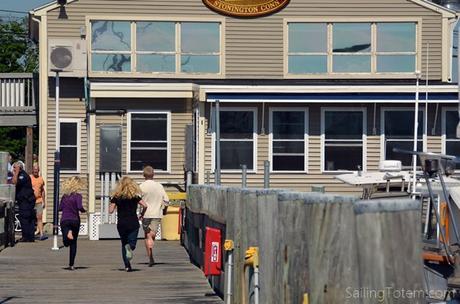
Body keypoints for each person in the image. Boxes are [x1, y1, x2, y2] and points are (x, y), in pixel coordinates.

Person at [109, 177, 147, 272]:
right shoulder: (135, 197)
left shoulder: (116, 197)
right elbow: (145, 205)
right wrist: (142, 214)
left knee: (124, 243)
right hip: (133, 222)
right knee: (132, 244)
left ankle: (127, 266)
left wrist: (112, 203)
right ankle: (130, 247)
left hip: (121, 223)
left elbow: (110, 211)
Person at [140, 166, 169, 267]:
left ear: (143, 175)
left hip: (145, 214)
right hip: (157, 213)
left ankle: (151, 258)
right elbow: (166, 200)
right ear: (153, 174)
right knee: (152, 235)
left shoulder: (141, 186)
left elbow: (137, 200)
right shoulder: (159, 186)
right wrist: (164, 209)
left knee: (147, 235)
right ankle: (151, 256)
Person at [59, 176, 86, 270]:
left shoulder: (64, 196)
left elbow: (60, 208)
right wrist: (83, 210)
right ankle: (71, 264)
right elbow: (79, 207)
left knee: (66, 243)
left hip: (65, 219)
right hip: (75, 220)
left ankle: (68, 233)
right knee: (73, 243)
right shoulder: (78, 196)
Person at [12, 161, 36, 242]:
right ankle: (29, 237)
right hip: (26, 200)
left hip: (26, 201)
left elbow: (14, 182)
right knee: (28, 218)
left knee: (25, 218)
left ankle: (26, 237)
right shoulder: (21, 175)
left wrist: (17, 172)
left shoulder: (22, 175)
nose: (13, 169)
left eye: (15, 167)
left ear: (19, 168)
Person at [30, 164, 47, 240]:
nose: (36, 171)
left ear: (38, 170)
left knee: (39, 217)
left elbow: (43, 191)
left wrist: (44, 201)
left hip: (39, 200)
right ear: (32, 170)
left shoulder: (41, 179)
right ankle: (30, 233)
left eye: (37, 169)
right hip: (30, 201)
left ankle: (41, 234)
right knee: (31, 217)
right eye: (34, 169)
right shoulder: (29, 178)